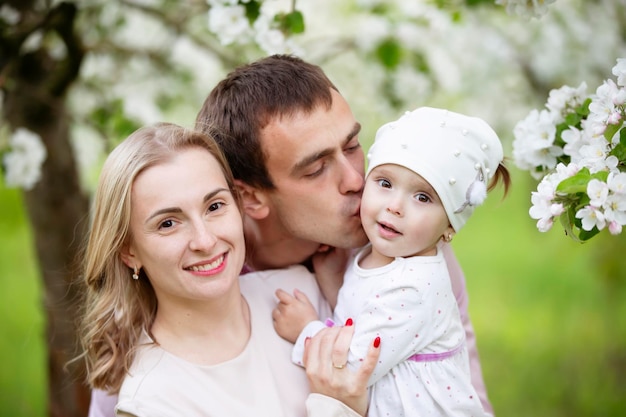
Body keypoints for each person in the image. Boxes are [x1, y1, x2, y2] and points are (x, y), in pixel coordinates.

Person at [89, 55, 494, 415]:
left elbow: (457, 395)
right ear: (250, 197)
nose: (356, 180)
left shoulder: (406, 255)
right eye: (317, 168)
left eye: (352, 145)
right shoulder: (194, 282)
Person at [78, 123, 379, 417]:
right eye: (168, 223)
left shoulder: (298, 293)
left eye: (214, 206)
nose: (205, 240)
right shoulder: (151, 401)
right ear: (129, 251)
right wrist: (338, 407)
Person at [273, 107, 511, 417]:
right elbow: (363, 315)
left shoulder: (415, 286)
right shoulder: (377, 256)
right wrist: (334, 281)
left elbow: (355, 365)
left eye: (422, 197)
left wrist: (307, 330)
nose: (395, 206)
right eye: (385, 183)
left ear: (450, 226)